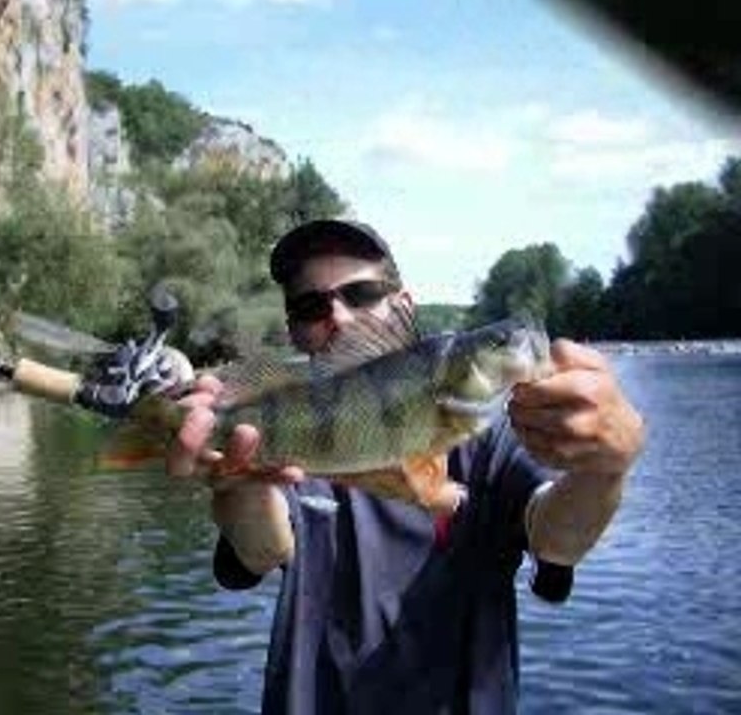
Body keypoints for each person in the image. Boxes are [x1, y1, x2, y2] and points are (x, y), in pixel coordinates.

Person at [166, 219, 645, 714]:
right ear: (294, 330)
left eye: (362, 293)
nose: (339, 316)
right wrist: (236, 480)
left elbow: (556, 538)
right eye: (310, 306)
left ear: (404, 305)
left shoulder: (490, 434)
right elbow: (262, 547)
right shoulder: (292, 431)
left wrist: (605, 469)